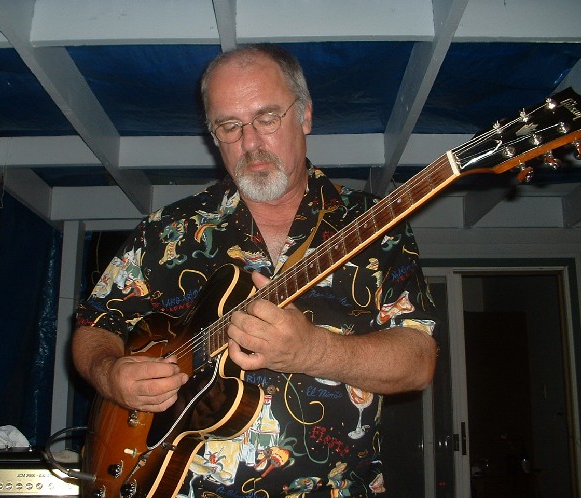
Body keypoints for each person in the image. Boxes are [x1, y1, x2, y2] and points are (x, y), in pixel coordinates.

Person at [73, 44, 438, 497]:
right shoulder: (167, 230)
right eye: (230, 126)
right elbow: (94, 324)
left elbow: (418, 362)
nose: (249, 143)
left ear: (304, 115)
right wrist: (110, 374)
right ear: (213, 135)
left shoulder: (376, 226)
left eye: (267, 118)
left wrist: (314, 351)